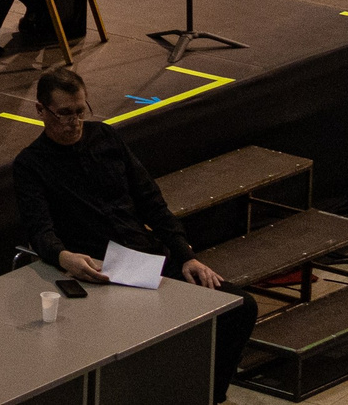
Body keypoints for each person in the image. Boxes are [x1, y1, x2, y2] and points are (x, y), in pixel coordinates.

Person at [14, 67, 259, 402]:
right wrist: (63, 256)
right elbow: (39, 230)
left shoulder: (106, 138)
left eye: (80, 112)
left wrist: (185, 254)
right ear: (41, 111)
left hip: (147, 259)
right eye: (64, 114)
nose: (74, 122)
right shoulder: (30, 165)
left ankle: (205, 395)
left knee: (240, 307)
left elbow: (151, 201)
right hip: (99, 270)